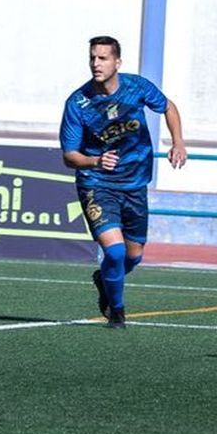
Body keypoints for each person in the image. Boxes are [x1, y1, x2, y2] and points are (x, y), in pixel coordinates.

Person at [59, 36, 186, 329]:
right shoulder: (78, 103)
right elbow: (70, 156)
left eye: (103, 58)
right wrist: (94, 160)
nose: (96, 64)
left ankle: (104, 279)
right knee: (114, 252)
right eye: (93, 57)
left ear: (118, 62)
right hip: (97, 183)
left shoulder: (137, 87)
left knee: (133, 257)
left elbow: (168, 107)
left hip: (134, 183)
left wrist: (178, 142)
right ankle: (117, 312)